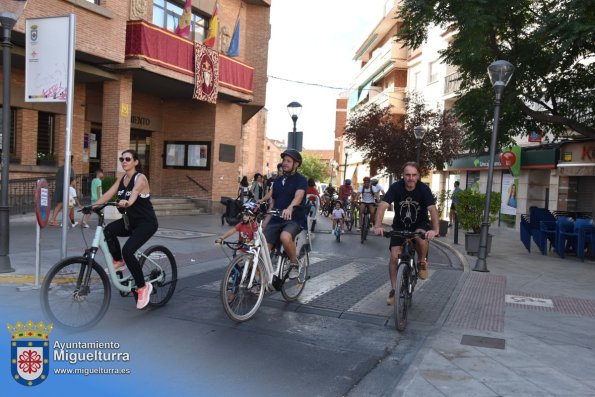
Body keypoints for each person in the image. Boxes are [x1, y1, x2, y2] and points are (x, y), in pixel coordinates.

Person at [90, 149, 158, 310]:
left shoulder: (140, 178)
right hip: (130, 222)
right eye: (122, 159)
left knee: (128, 251)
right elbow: (109, 194)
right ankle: (118, 261)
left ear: (135, 162)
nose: (124, 161)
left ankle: (143, 287)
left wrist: (128, 202)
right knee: (108, 231)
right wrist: (92, 206)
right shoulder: (122, 178)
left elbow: (134, 192)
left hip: (146, 223)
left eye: (128, 159)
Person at [374, 162, 439, 305]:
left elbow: (432, 210)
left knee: (421, 237)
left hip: (419, 224)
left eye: (414, 175)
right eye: (408, 175)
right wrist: (378, 226)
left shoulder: (424, 189)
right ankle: (393, 289)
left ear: (418, 176)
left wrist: (435, 230)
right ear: (403, 176)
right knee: (393, 257)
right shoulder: (396, 187)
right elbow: (383, 206)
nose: (411, 178)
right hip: (399, 225)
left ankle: (422, 262)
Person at [263, 149, 307, 280]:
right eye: (284, 160)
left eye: (288, 161)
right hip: (276, 219)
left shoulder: (301, 180)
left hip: (294, 219)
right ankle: (259, 283)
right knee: (263, 250)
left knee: (285, 237)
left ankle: (294, 263)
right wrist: (265, 222)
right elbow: (273, 205)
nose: (285, 163)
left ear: (296, 164)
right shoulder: (277, 181)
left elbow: (298, 197)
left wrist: (290, 208)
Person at [49, 155, 75, 227]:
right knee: (68, 204)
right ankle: (53, 220)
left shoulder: (60, 169)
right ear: (71, 161)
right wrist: (73, 190)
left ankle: (73, 221)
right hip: (66, 189)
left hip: (59, 188)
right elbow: (72, 181)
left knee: (66, 205)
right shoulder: (70, 169)